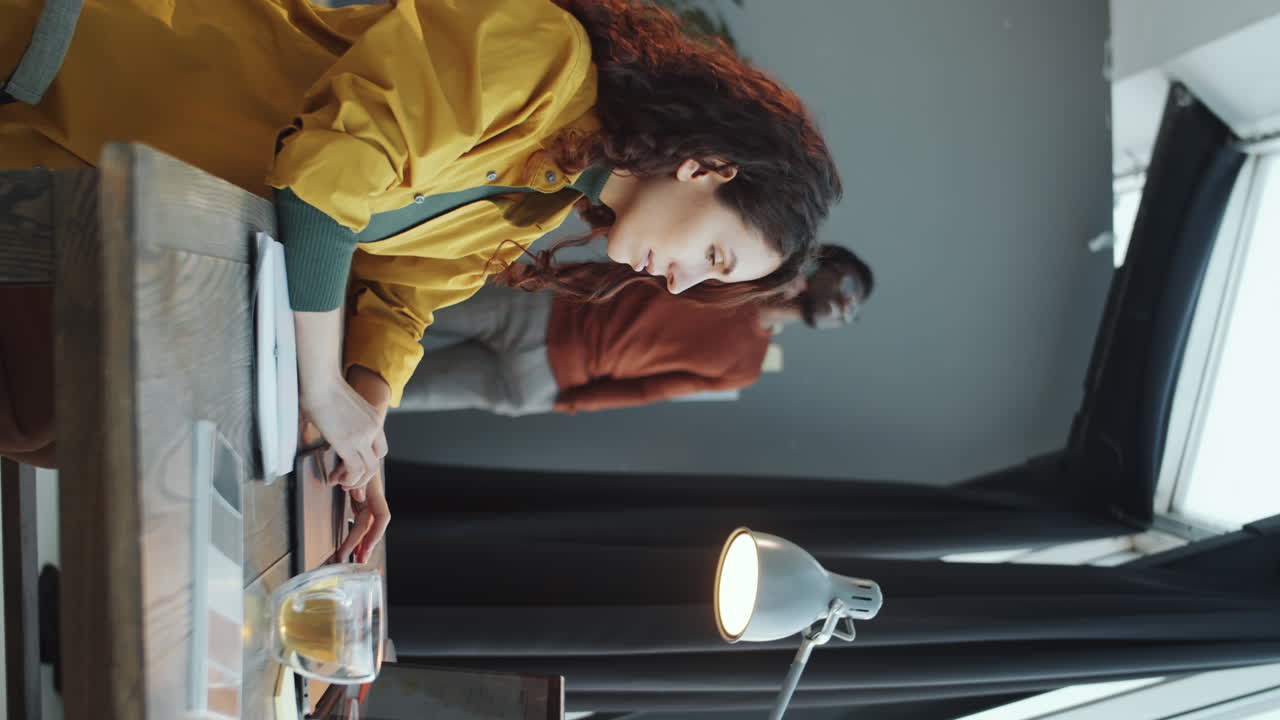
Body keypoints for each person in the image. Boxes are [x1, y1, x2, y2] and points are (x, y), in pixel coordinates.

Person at [1, 0, 842, 560]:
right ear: (707, 168)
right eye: (714, 258)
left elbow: (410, 293)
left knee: (77, 435)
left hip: (156, 197)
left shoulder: (546, 199)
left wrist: (366, 416)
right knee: (68, 413)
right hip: (97, 90)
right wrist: (322, 385)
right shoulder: (546, 58)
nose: (683, 288)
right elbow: (328, 172)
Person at [396, 245, 873, 416]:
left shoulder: (745, 366)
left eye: (850, 309)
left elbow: (649, 390)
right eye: (846, 288)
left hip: (546, 376)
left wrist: (562, 402)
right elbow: (642, 264)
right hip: (542, 311)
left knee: (393, 389)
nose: (843, 305)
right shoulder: (735, 268)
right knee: (396, 303)